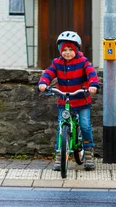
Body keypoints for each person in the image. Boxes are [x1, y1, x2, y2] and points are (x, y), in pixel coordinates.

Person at [38, 31, 99, 171]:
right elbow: (48, 73)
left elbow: (91, 73)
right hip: (64, 100)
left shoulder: (83, 62)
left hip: (81, 100)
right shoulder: (57, 63)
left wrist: (93, 85)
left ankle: (88, 152)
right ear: (60, 50)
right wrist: (43, 83)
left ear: (77, 50)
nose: (67, 52)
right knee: (61, 126)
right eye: (64, 49)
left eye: (71, 49)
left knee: (85, 126)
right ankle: (60, 155)